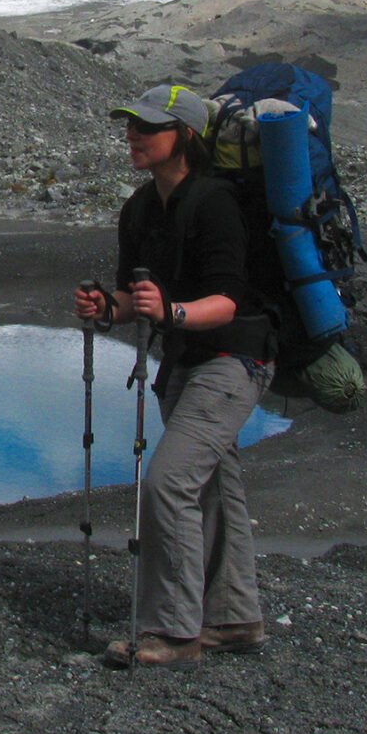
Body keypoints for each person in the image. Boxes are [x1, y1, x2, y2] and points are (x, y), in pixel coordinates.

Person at [73, 83, 277, 668]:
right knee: (213, 485)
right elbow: (136, 298)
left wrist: (171, 313)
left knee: (168, 482)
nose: (133, 135)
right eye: (130, 125)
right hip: (186, 362)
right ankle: (236, 619)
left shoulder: (214, 202)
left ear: (184, 136)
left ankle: (174, 630)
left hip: (234, 359)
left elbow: (228, 301)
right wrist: (106, 309)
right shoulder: (140, 208)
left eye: (147, 127)